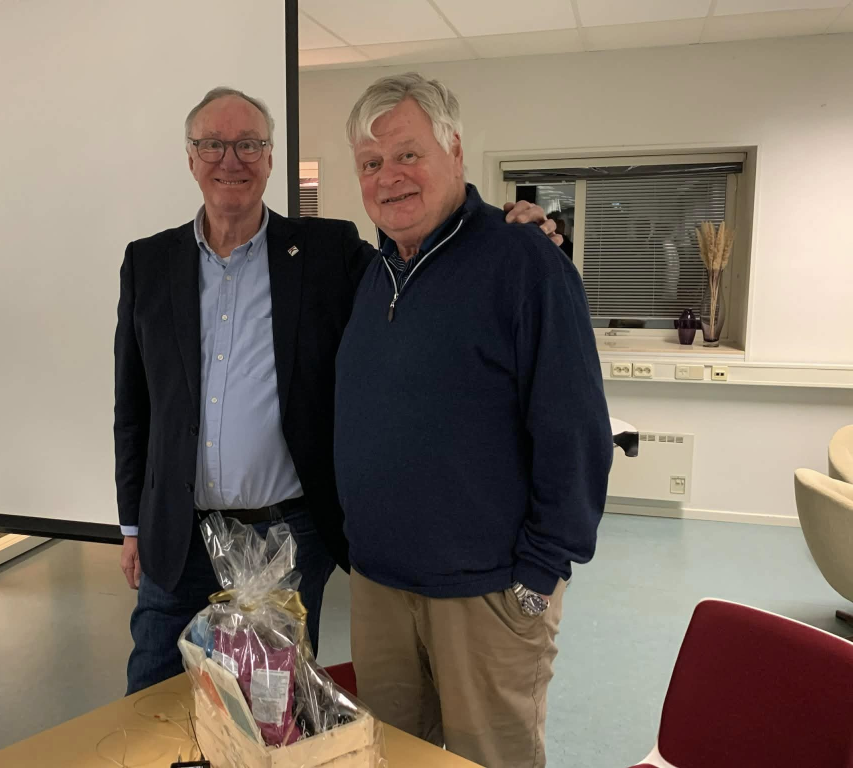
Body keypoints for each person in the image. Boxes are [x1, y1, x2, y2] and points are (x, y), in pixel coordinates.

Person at [113, 86, 560, 695]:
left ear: (270, 157)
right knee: (149, 703)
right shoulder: (148, 262)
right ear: (190, 157)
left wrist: (507, 231)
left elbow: (420, 268)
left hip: (287, 541)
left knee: (272, 709)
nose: (230, 160)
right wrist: (131, 526)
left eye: (248, 144)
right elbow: (133, 407)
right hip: (177, 535)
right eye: (212, 144)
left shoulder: (325, 252)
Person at [334, 73, 613, 767]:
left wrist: (540, 574)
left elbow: (575, 429)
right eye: (370, 163)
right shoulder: (373, 275)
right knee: (391, 758)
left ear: (454, 150)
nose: (389, 177)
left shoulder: (525, 261)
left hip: (486, 592)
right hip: (380, 587)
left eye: (408, 154)